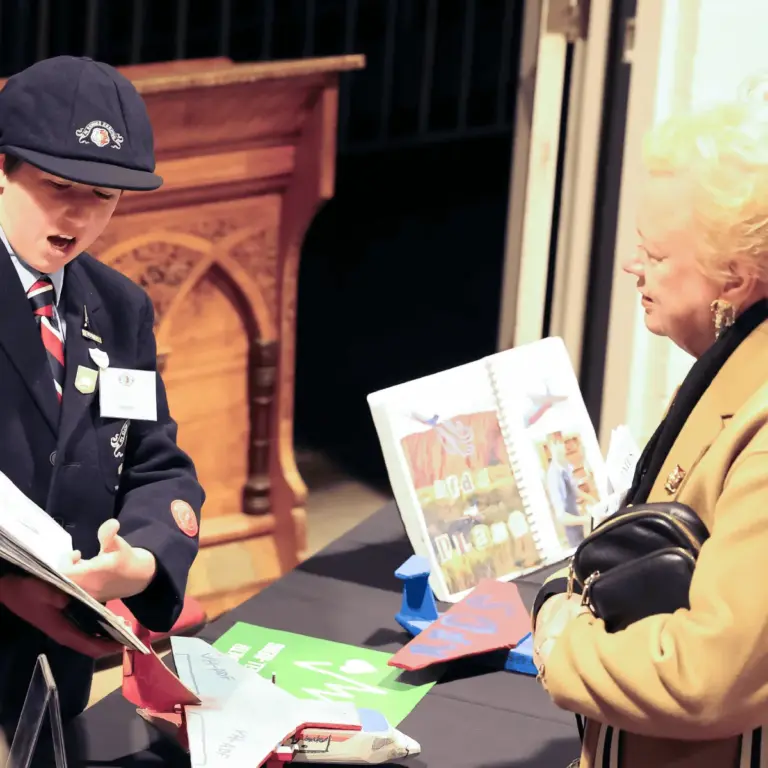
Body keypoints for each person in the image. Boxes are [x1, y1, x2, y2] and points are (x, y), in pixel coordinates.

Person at [531, 84, 768, 766]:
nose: (634, 268)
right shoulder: (731, 365)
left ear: (735, 278)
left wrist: (560, 639)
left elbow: (707, 678)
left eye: (658, 256)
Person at [0, 55, 204, 742]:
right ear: (1, 167)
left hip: (55, 664)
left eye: (105, 196)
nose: (80, 216)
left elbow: (156, 464)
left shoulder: (116, 308)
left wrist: (141, 560)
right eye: (59, 186)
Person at [544, 436, 592, 548]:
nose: (560, 446)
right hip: (571, 530)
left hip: (578, 521)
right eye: (555, 443)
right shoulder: (553, 476)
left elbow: (573, 490)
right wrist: (585, 519)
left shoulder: (565, 466)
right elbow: (561, 517)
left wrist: (591, 499)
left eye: (561, 442)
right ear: (550, 448)